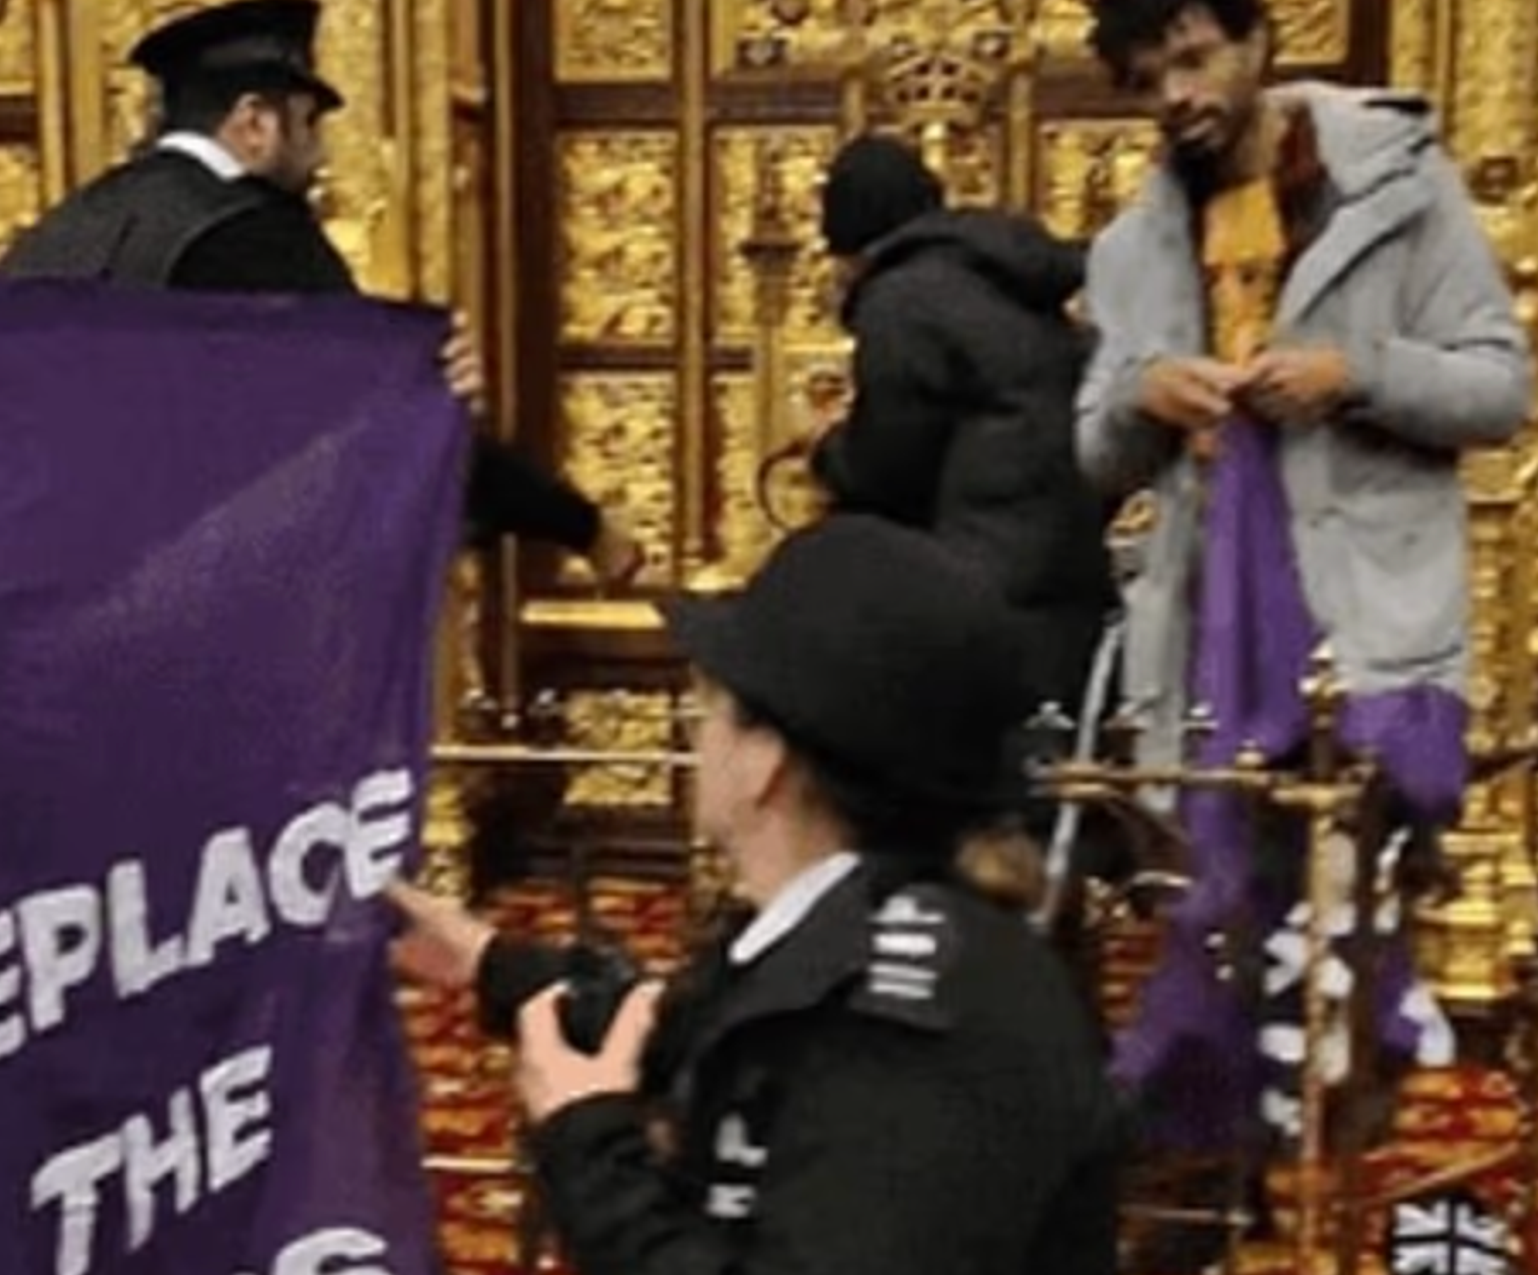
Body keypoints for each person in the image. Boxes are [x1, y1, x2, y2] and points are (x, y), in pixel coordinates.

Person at [1074, 0, 1530, 1253]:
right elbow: (1091, 449)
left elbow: (1499, 387)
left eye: (1197, 58)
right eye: (1149, 74)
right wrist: (1145, 396)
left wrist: (1357, 371)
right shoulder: (1132, 243)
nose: (1178, 95)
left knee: (1345, 962)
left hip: (1367, 644)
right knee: (1215, 942)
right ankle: (1214, 1209)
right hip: (1208, 650)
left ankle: (1317, 1212)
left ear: (1256, 42)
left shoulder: (1399, 185)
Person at [389, 514, 1122, 1275]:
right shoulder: (871, 928)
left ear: (765, 761)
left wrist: (589, 1143)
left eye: (710, 708)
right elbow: (727, 1028)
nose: (697, 734)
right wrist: (491, 962)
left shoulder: (912, 1038)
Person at [0, 0, 640, 584]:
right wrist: (583, 527)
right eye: (310, 125)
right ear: (255, 122)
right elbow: (379, 426)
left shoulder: (68, 225)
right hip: (195, 622)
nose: (322, 158)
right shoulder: (250, 234)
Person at [810, 131, 1116, 710]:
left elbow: (891, 466)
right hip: (1066, 583)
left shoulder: (901, 300)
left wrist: (828, 456)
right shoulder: (1003, 275)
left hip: (977, 602)